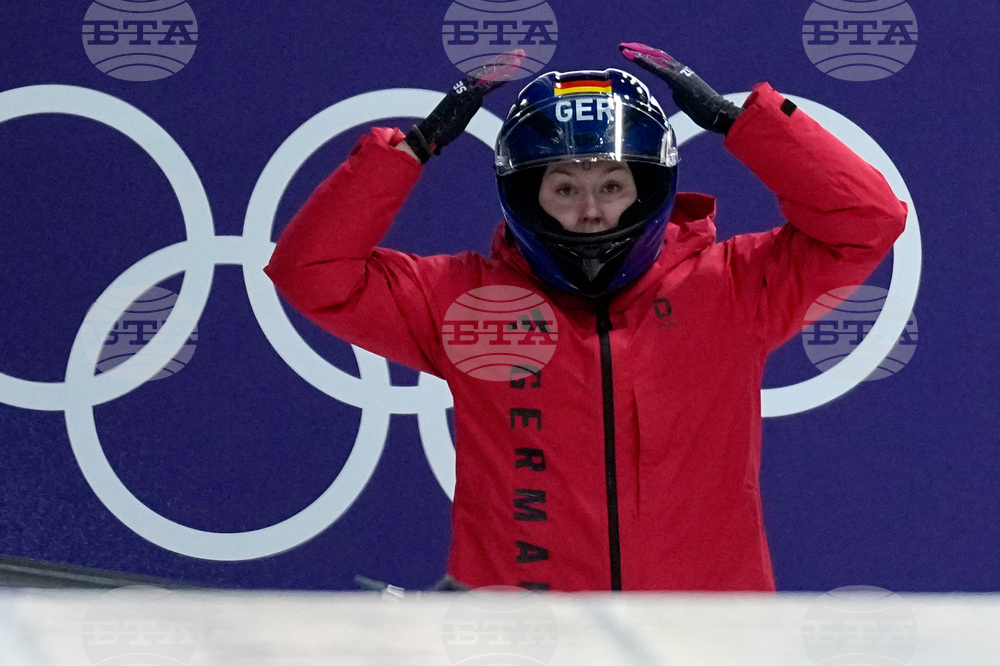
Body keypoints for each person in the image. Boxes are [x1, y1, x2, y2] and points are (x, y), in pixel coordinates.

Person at [264, 43, 907, 592]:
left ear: (650, 189)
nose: (592, 212)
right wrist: (411, 149)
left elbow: (868, 222)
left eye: (612, 185)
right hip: (522, 641)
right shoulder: (467, 301)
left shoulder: (735, 286)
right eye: (565, 187)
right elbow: (312, 273)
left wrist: (743, 122)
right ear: (528, 196)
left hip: (711, 639)